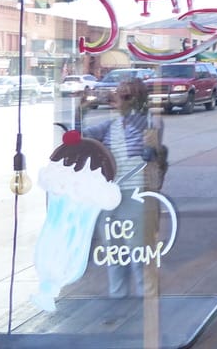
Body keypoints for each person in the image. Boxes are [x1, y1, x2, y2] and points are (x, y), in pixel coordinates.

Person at [81, 77, 164, 298]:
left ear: (137, 99)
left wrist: (127, 106)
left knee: (139, 253)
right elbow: (81, 137)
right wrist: (83, 110)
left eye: (125, 96)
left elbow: (150, 140)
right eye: (118, 94)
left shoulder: (148, 122)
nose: (118, 99)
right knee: (113, 253)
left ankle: (146, 300)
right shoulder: (111, 126)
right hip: (111, 194)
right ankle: (118, 299)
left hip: (136, 193)